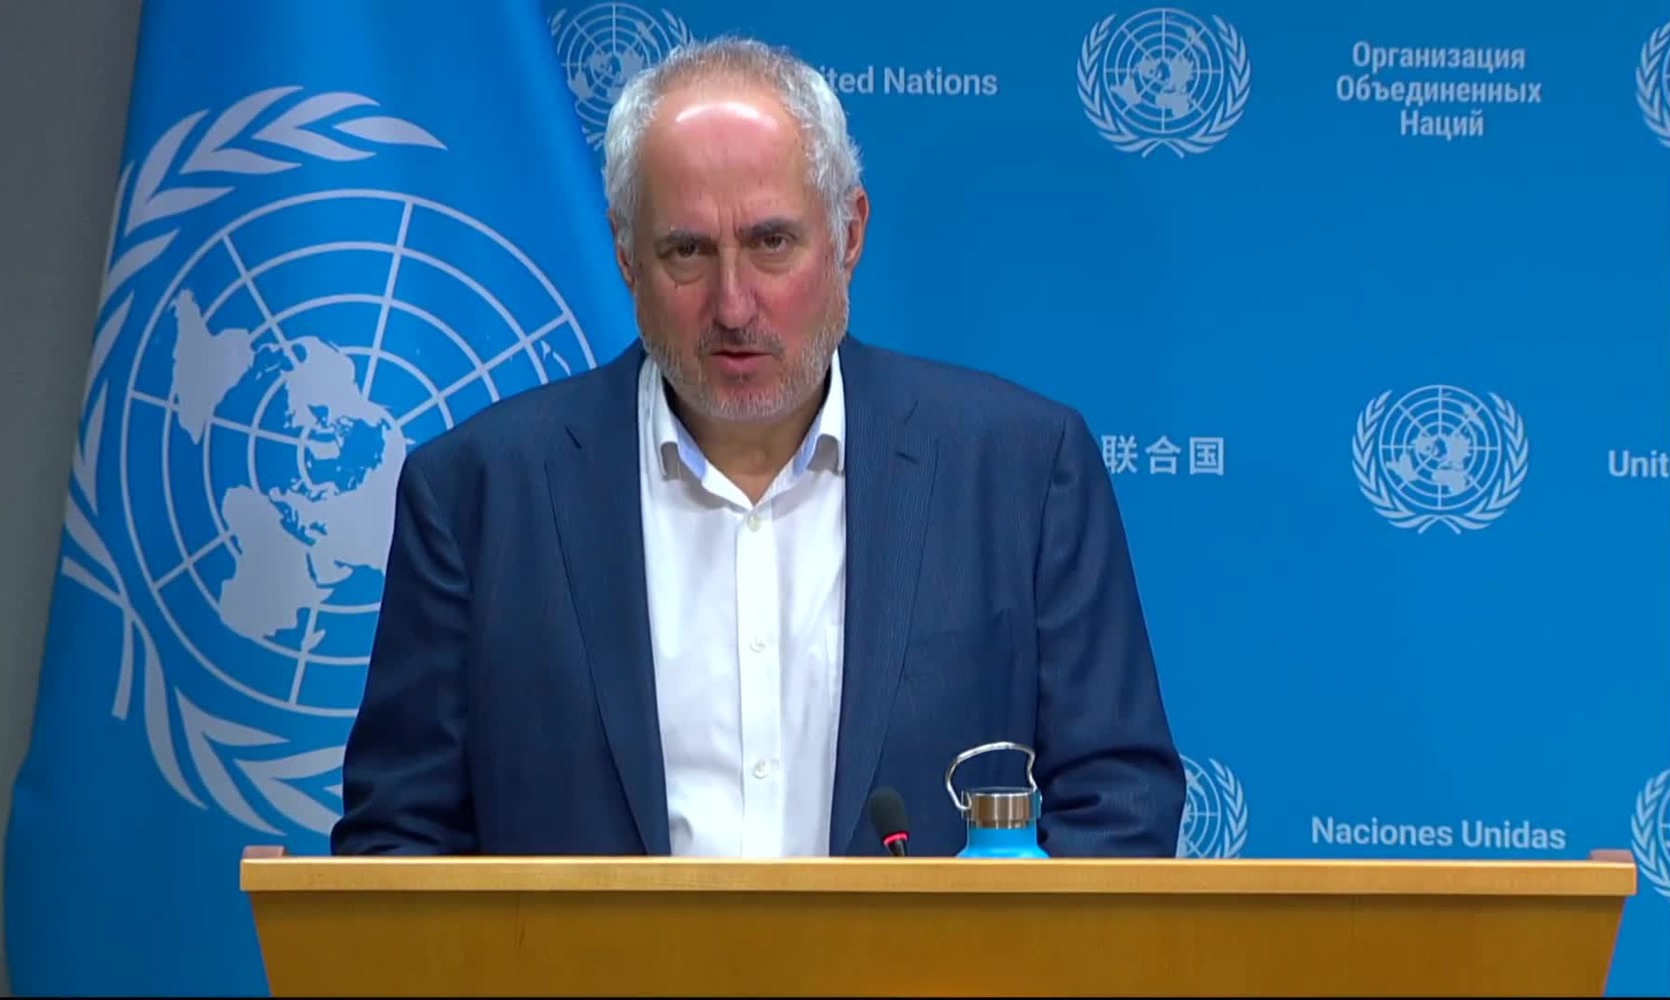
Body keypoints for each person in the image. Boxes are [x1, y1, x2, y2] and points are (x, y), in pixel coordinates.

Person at [331, 35, 1184, 859]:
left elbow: (1117, 807)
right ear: (626, 255)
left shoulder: (1022, 472)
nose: (733, 305)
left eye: (771, 242)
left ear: (848, 234)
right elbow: (399, 845)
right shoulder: (477, 495)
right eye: (687, 251)